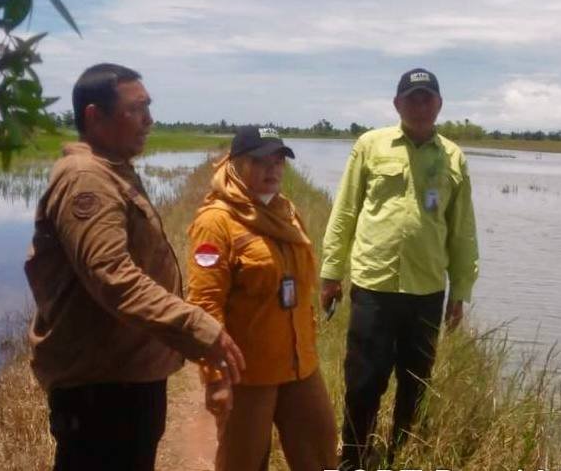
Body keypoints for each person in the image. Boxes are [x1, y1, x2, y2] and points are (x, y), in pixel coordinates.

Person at [24, 63, 245, 471]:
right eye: (136, 109)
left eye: (149, 107)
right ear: (95, 116)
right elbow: (113, 278)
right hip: (102, 386)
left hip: (123, 373)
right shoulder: (87, 179)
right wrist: (197, 326)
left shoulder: (111, 169)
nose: (149, 120)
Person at [320, 68, 479, 469]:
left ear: (439, 104)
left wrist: (460, 292)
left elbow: (462, 232)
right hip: (375, 286)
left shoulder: (453, 157)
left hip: (426, 291)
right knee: (363, 380)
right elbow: (345, 212)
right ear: (397, 104)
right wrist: (330, 273)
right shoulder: (370, 146)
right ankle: (354, 458)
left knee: (416, 384)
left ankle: (400, 457)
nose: (419, 105)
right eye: (412, 98)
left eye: (427, 97)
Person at [187, 126, 338, 471]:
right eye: (260, 161)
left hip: (300, 366)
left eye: (278, 160)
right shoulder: (216, 223)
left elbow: (301, 291)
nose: (272, 169)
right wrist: (216, 379)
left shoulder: (287, 211)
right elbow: (205, 306)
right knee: (243, 462)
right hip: (247, 375)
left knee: (320, 450)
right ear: (236, 164)